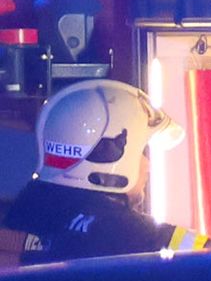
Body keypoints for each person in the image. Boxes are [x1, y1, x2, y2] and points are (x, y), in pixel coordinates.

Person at [4, 80, 174, 262]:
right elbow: (206, 256)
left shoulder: (30, 210)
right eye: (141, 152)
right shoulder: (124, 231)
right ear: (110, 156)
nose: (147, 164)